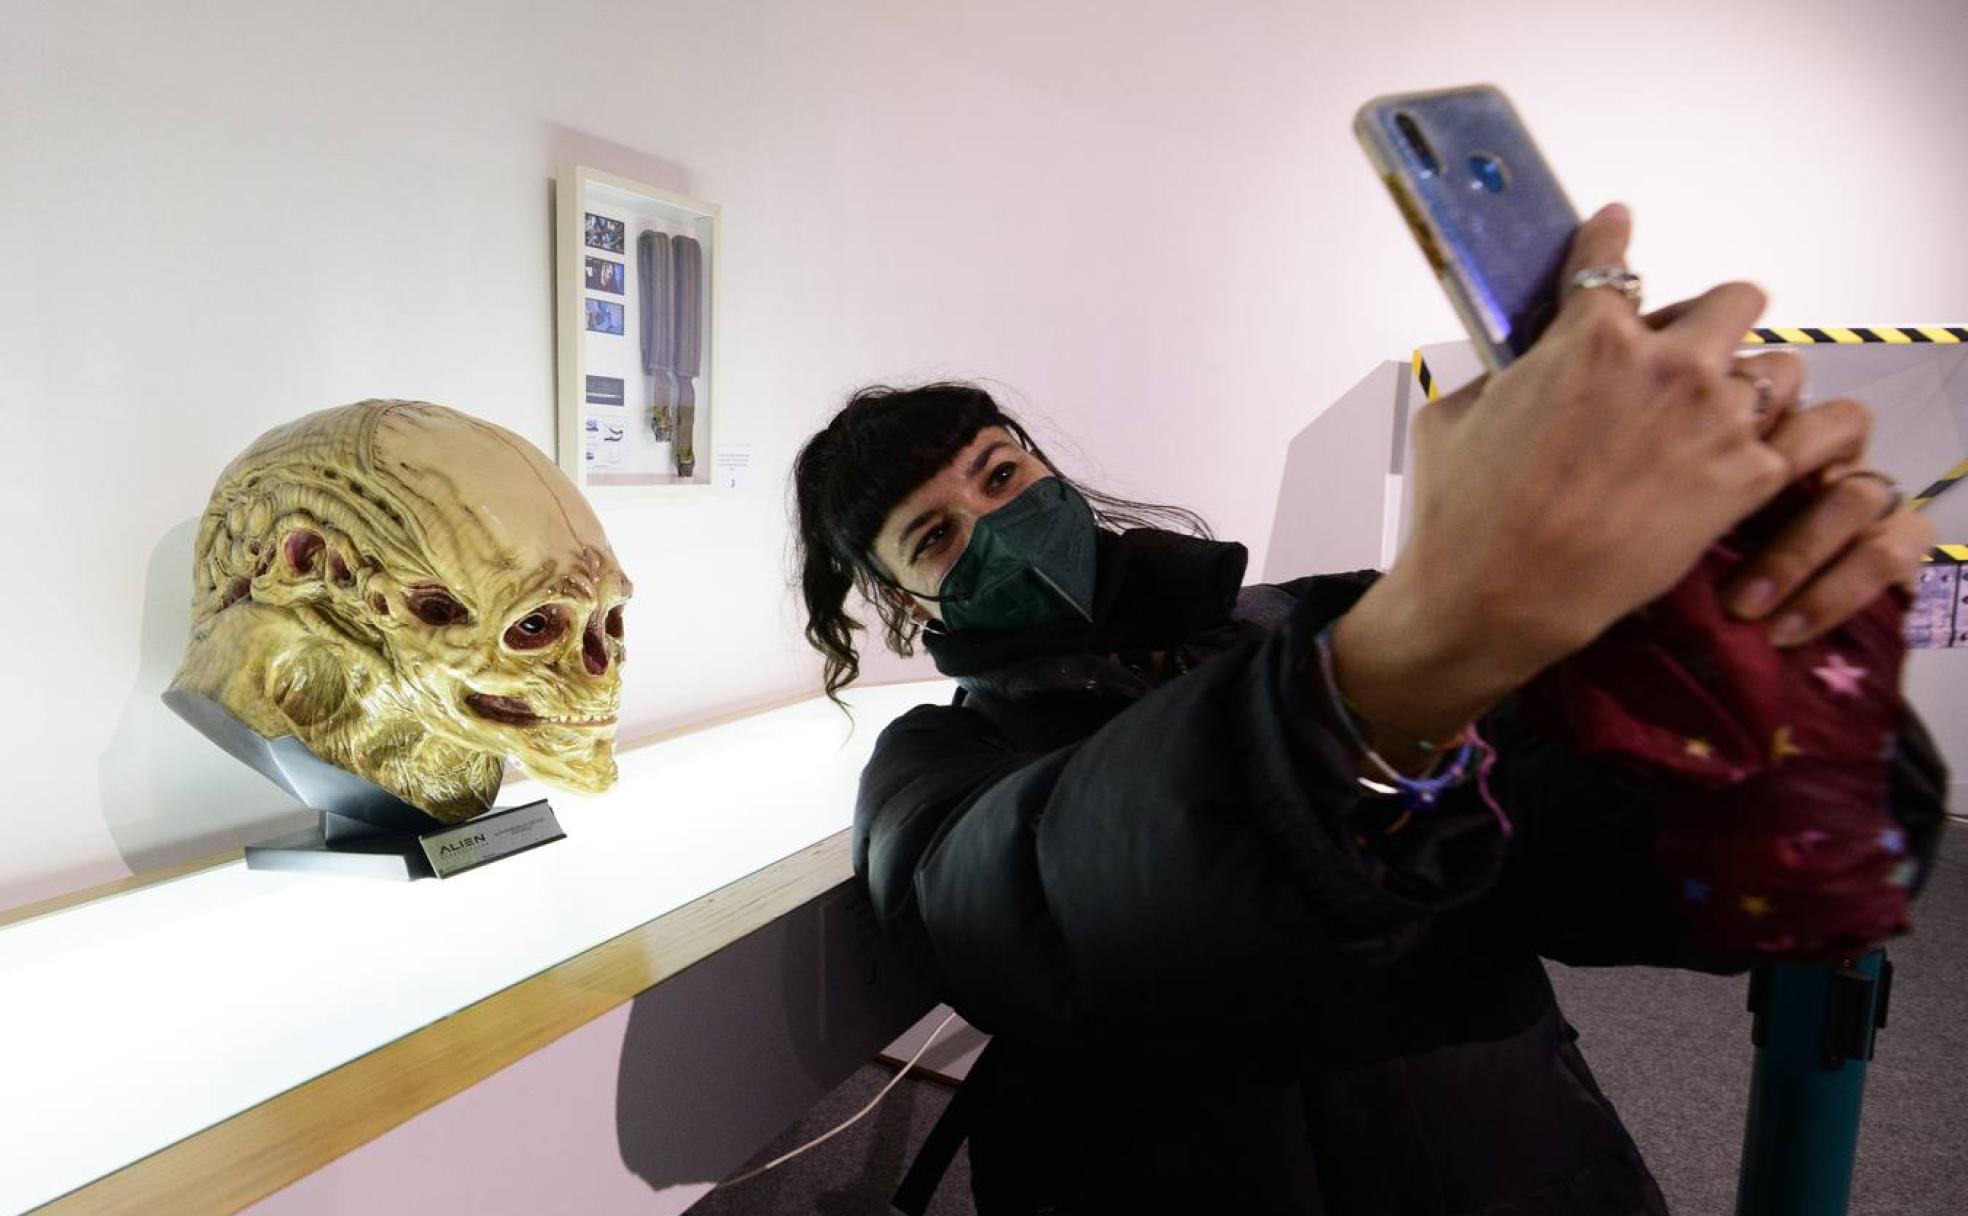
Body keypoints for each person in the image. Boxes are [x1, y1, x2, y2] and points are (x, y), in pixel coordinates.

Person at [789, 206, 1948, 1215]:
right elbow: (1035, 913)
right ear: (900, 595)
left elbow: (1613, 861)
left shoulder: (1328, 615)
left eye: (1001, 474)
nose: (994, 525)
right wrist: (1374, 695)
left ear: (1046, 463)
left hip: (1523, 1166)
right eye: (936, 536)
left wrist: (1762, 704)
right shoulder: (937, 761)